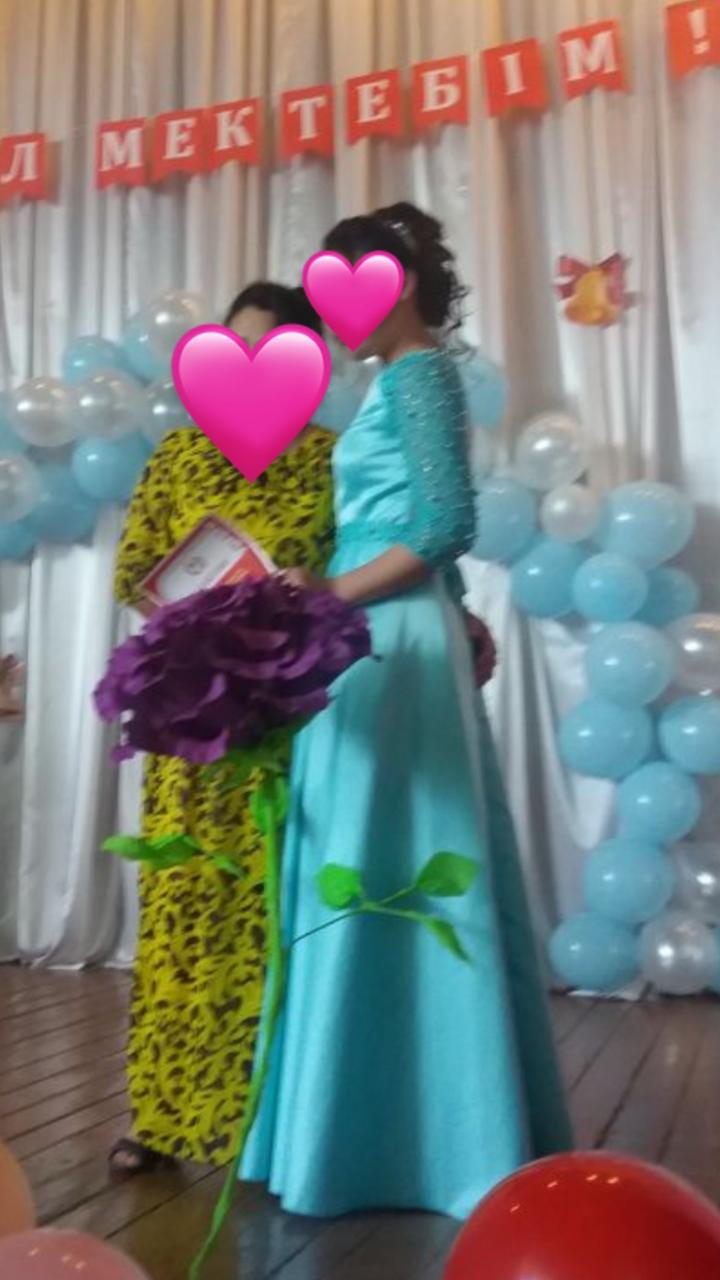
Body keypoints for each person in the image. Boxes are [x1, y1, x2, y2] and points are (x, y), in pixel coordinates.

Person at [242, 204, 573, 1218]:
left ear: (399, 286)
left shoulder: (419, 374)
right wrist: (444, 608)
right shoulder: (400, 378)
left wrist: (328, 593)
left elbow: (442, 522)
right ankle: (395, 1132)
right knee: (377, 856)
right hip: (385, 633)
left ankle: (400, 1141)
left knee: (384, 855)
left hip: (384, 638)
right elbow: (427, 535)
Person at [109, 282, 335, 1173]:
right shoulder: (177, 456)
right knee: (183, 912)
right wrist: (189, 611)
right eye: (233, 348)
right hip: (192, 723)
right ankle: (161, 1118)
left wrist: (299, 598)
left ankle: (275, 1129)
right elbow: (134, 572)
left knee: (275, 910)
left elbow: (354, 580)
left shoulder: (328, 460)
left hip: (288, 724)